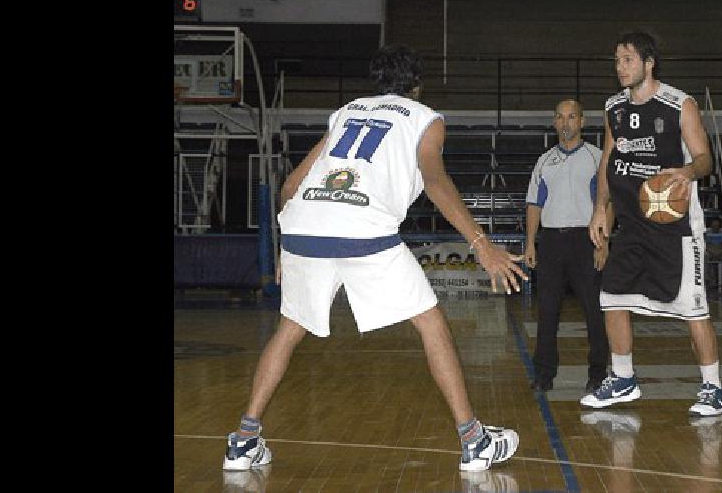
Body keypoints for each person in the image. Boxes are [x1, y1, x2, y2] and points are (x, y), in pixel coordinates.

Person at [223, 44, 527, 473]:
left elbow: (291, 186)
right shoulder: (426, 119)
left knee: (289, 329)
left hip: (304, 226)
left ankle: (242, 441)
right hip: (362, 229)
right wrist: (482, 244)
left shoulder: (346, 111)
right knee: (431, 323)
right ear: (416, 86)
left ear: (377, 82)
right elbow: (435, 180)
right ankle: (475, 441)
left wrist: (288, 251)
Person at [584, 30, 722, 417]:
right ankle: (625, 379)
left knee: (694, 311)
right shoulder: (613, 107)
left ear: (649, 63)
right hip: (632, 226)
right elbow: (608, 162)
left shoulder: (680, 104)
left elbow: (705, 159)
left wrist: (687, 170)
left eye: (627, 59)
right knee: (610, 297)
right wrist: (600, 208)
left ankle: (713, 388)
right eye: (616, 60)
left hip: (676, 227)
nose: (620, 67)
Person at [524, 99, 611, 393]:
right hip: (551, 242)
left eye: (571, 117)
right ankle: (544, 374)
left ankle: (599, 374)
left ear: (582, 121)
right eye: (560, 117)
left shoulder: (597, 157)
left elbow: (608, 204)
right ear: (554, 122)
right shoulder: (544, 161)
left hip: (586, 241)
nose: (566, 122)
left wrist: (602, 243)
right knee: (547, 312)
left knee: (594, 312)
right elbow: (535, 204)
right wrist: (530, 244)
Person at [704, 217, 722, 290]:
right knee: (704, 255)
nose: (716, 226)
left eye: (717, 225)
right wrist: (712, 252)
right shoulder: (706, 232)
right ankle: (706, 279)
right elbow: (704, 245)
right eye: (714, 224)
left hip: (720, 252)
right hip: (710, 252)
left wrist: (719, 252)